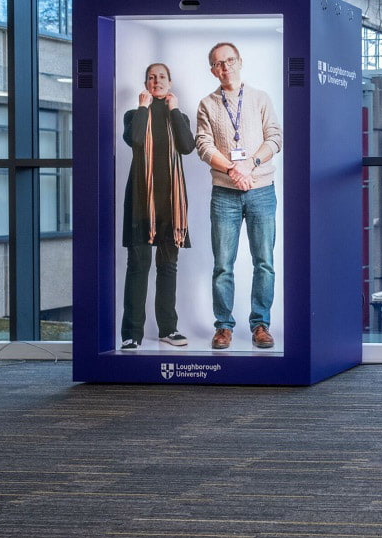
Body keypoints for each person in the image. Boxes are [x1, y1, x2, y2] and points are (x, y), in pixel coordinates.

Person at [196, 42, 283, 350]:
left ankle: (260, 324)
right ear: (212, 70)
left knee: (264, 262)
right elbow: (203, 146)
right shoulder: (207, 104)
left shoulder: (260, 98)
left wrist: (250, 164)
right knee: (223, 264)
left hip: (261, 191)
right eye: (218, 63)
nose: (225, 67)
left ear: (240, 61)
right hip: (225, 195)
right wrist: (234, 169)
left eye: (230, 60)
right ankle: (223, 327)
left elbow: (275, 138)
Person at [120, 63, 195, 350]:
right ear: (146, 84)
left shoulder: (179, 116)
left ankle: (168, 329)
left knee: (168, 267)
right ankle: (131, 334)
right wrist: (142, 107)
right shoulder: (133, 115)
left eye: (162, 77)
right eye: (152, 77)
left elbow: (188, 147)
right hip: (141, 204)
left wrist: (174, 110)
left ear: (170, 83)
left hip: (171, 207)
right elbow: (136, 140)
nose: (157, 81)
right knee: (138, 267)